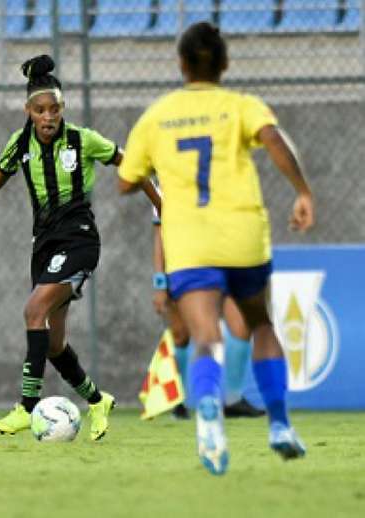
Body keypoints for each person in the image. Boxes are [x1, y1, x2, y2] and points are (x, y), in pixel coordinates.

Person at [0, 55, 159, 440]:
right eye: (40, 110)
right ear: (29, 111)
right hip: (45, 246)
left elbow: (131, 163)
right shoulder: (20, 144)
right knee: (53, 344)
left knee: (33, 309)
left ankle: (27, 406)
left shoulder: (82, 140)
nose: (48, 116)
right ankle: (98, 401)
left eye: (54, 108)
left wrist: (161, 204)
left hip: (80, 239)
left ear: (62, 109)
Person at [117, 23, 314, 475]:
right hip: (242, 237)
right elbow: (273, 140)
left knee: (206, 337)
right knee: (261, 324)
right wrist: (302, 192)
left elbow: (126, 181)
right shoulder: (242, 105)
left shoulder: (158, 115)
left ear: (181, 64)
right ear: (225, 64)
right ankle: (280, 425)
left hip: (190, 245)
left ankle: (207, 412)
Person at [151, 210, 265, 419]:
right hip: (185, 264)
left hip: (225, 260)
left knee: (241, 326)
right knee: (181, 335)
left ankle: (233, 400)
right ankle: (180, 402)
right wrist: (159, 281)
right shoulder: (167, 180)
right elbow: (160, 231)